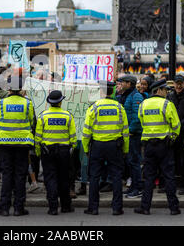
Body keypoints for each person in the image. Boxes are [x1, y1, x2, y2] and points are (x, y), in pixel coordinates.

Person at [82, 80, 129, 216]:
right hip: (115, 146)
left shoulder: (94, 107)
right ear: (112, 91)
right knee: (116, 176)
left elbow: (86, 132)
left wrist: (86, 148)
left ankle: (93, 208)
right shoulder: (119, 108)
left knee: (95, 177)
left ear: (101, 92)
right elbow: (125, 131)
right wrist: (125, 149)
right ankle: (117, 208)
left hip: (97, 146)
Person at [135, 79, 181, 216]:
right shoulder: (167, 104)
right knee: (168, 176)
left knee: (148, 177)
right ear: (158, 90)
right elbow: (176, 125)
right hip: (164, 145)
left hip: (149, 145)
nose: (167, 92)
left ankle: (145, 207)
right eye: (165, 90)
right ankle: (173, 208)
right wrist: (172, 138)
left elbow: (141, 121)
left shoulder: (143, 104)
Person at [0, 75, 35, 217]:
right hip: (22, 144)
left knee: (7, 175)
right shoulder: (28, 103)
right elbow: (31, 121)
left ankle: (4, 208)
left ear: (9, 88)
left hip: (5, 143)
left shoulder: (1, 103)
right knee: (20, 176)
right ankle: (19, 208)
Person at [34, 90, 77, 215]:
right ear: (60, 102)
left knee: (50, 178)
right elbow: (73, 137)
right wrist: (71, 150)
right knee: (64, 178)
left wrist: (38, 152)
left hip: (48, 152)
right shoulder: (67, 116)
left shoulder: (43, 116)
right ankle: (66, 206)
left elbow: (38, 137)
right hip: (64, 151)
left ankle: (52, 207)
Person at [116, 75, 144, 198]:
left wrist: (130, 130)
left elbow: (137, 116)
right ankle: (133, 187)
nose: (121, 84)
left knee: (134, 162)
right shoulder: (126, 95)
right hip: (128, 134)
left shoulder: (136, 96)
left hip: (134, 134)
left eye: (123, 82)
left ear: (129, 83)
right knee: (130, 162)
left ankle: (137, 188)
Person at [166, 75, 184, 195]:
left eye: (180, 83)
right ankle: (174, 183)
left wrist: (179, 124)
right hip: (173, 132)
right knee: (172, 159)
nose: (178, 86)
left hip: (183, 132)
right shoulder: (170, 95)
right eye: (176, 83)